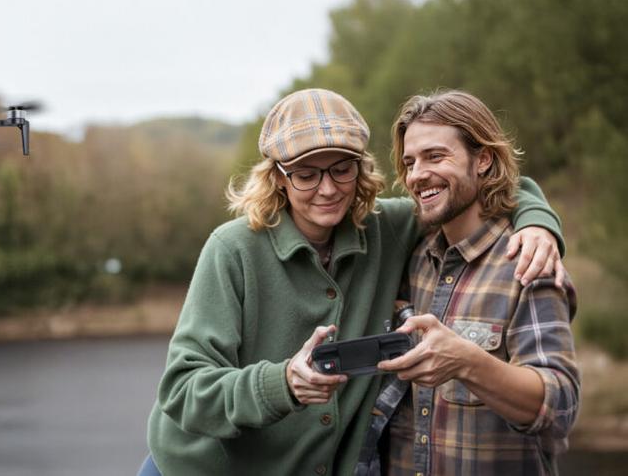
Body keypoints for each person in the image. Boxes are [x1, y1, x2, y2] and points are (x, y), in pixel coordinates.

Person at [140, 89, 564, 476]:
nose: (327, 189)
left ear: (360, 169)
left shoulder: (386, 229)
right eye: (306, 175)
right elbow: (182, 390)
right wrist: (283, 383)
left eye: (342, 170)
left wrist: (537, 222)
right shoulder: (233, 249)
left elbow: (480, 186)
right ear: (279, 177)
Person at [362, 90, 579, 475]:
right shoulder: (412, 258)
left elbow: (560, 407)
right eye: (410, 162)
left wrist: (467, 362)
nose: (417, 175)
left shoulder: (528, 260)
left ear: (483, 160)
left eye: (435, 156)